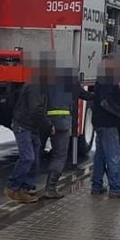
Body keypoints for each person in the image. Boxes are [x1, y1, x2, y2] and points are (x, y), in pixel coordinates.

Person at [80, 57, 120, 199]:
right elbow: (106, 103)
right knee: (114, 156)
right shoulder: (107, 82)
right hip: (108, 123)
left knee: (101, 156)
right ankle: (116, 187)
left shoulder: (102, 80)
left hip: (100, 122)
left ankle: (96, 185)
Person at [6, 59, 52, 204]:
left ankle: (24, 189)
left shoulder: (37, 85)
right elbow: (36, 110)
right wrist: (49, 126)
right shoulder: (35, 87)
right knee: (28, 158)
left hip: (30, 126)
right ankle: (13, 187)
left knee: (34, 158)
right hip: (24, 126)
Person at [44, 63, 77, 199]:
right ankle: (50, 187)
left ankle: (27, 186)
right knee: (59, 156)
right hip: (63, 122)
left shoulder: (47, 83)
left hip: (47, 121)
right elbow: (80, 97)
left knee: (37, 152)